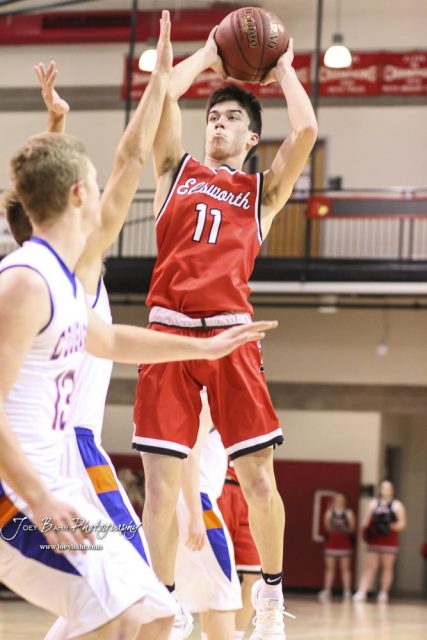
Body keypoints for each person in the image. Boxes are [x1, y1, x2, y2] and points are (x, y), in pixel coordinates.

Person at [0, 19, 276, 640]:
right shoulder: (28, 280)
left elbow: (114, 341)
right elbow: (128, 157)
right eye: (95, 187)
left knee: (149, 608)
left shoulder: (67, 279)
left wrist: (206, 344)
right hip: (24, 486)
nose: (110, 193)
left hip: (72, 466)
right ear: (80, 196)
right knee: (117, 609)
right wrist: (169, 75)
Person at [132, 21, 317, 640]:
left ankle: (269, 601)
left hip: (232, 335)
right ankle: (162, 606)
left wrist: (283, 67)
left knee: (259, 478)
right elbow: (163, 94)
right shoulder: (174, 171)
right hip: (168, 334)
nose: (218, 124)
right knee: (160, 489)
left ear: (252, 136)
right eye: (213, 117)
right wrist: (209, 54)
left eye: (232, 118)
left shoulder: (262, 193)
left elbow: (307, 132)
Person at [175, 389, 241, 640]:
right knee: (223, 591)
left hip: (182, 500)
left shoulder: (193, 397)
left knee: (200, 592)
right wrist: (195, 515)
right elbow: (190, 455)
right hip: (197, 500)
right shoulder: (205, 398)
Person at [218, 460, 261, 639]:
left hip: (250, 493)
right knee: (218, 574)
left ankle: (236, 635)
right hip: (220, 489)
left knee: (255, 575)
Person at [353, 480, 407, 603]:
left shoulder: (397, 505)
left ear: (392, 490)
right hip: (374, 540)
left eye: (388, 488)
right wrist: (371, 528)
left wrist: (389, 525)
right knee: (370, 567)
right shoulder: (373, 504)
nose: (385, 490)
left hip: (389, 541)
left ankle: (383, 593)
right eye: (383, 488)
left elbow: (402, 524)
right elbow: (365, 522)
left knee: (387, 567)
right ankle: (362, 591)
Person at [318, 493, 355, 602]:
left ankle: (347, 591)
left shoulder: (349, 513)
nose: (339, 501)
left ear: (344, 501)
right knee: (330, 568)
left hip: (344, 544)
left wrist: (342, 529)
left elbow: (352, 528)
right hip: (332, 543)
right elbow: (326, 527)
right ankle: (327, 590)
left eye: (341, 499)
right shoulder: (329, 513)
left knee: (345, 568)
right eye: (337, 499)